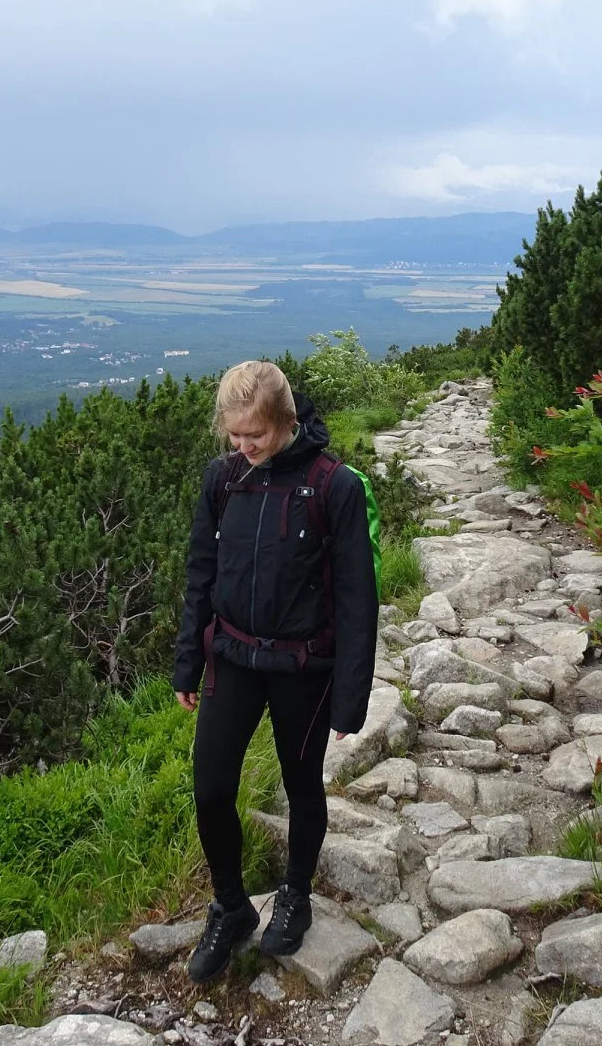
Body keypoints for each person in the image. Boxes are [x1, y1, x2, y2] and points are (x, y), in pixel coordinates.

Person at [172, 360, 379, 982]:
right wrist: (188, 658)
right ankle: (232, 907)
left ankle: (295, 894)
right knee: (210, 788)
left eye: (254, 435)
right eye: (234, 436)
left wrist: (351, 695)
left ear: (286, 421)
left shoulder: (333, 485)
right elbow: (201, 574)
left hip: (303, 667)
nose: (244, 447)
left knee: (300, 783)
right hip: (233, 656)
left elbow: (356, 598)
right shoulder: (223, 480)